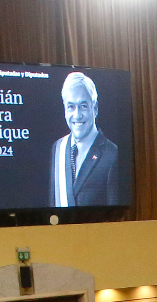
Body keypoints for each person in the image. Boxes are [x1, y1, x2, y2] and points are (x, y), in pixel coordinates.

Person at [49, 71, 119, 207]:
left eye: (83, 106)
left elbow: (115, 216)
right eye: (71, 107)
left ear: (95, 108)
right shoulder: (57, 148)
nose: (77, 115)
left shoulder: (112, 154)